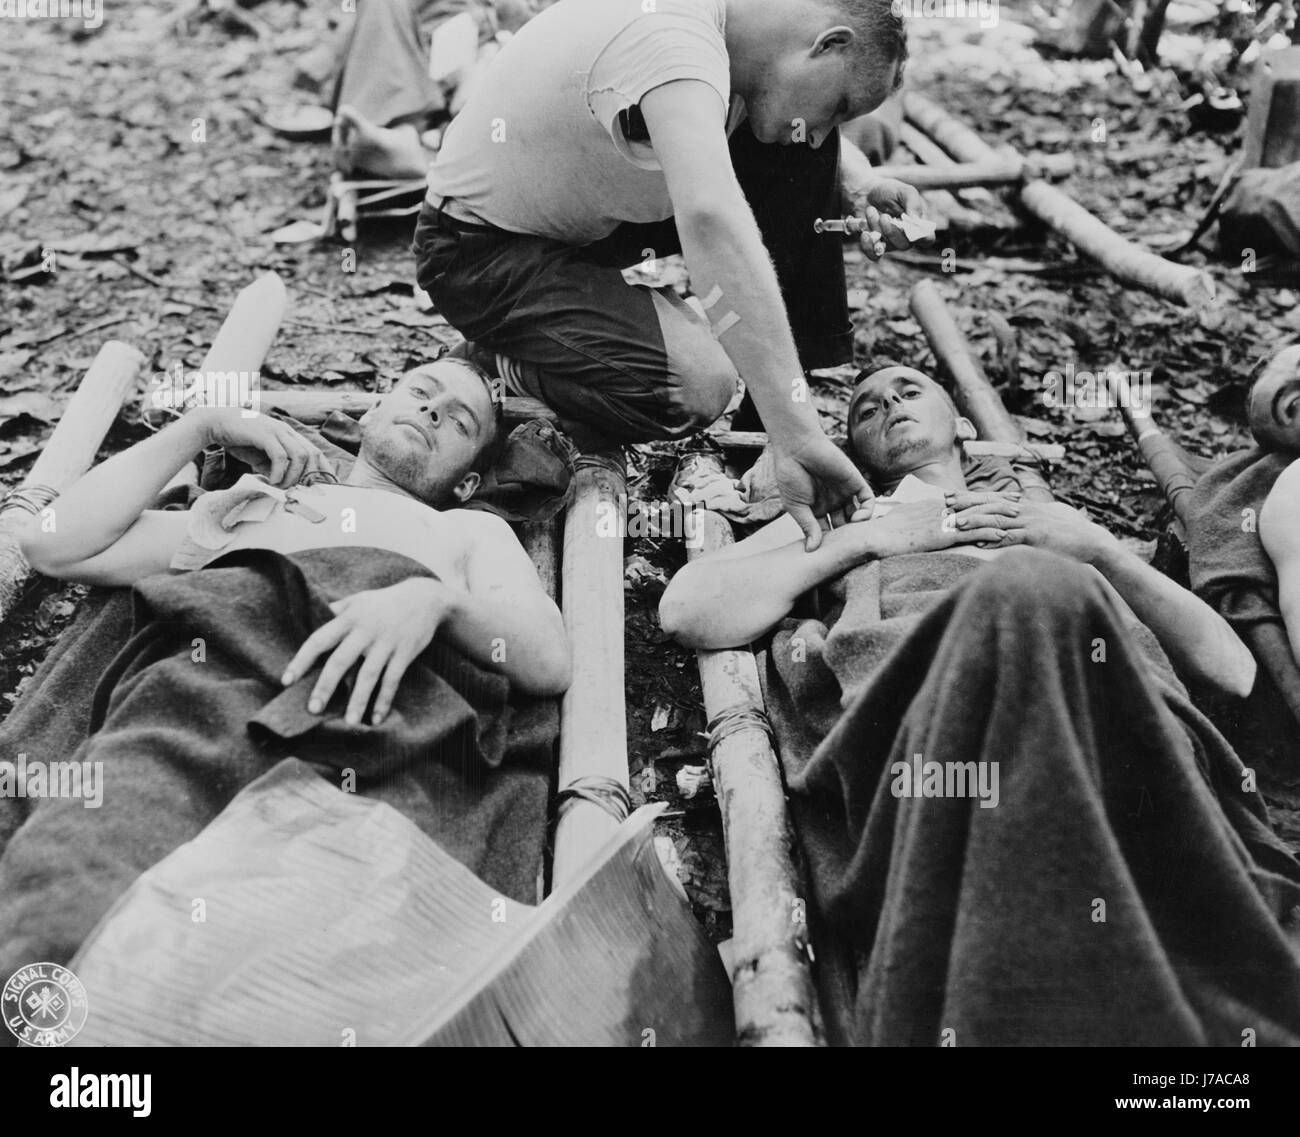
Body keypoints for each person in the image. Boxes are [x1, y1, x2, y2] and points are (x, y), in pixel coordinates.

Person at [660, 366, 1300, 1045]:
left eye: (908, 391)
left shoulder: (1055, 528)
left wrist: (1095, 551)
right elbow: (688, 608)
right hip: (946, 735)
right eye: (867, 410)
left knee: (1042, 590)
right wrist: (875, 538)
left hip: (1120, 737)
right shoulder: (847, 522)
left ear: (963, 424)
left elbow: (1230, 670)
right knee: (1027, 593)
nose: (890, 408)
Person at [0, 361, 569, 982]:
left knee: (312, 939)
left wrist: (438, 603)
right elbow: (52, 544)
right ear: (372, 413)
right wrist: (202, 427)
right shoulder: (257, 506)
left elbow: (545, 658)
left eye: (458, 421)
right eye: (421, 393)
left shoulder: (463, 529)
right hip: (201, 705)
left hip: (369, 724)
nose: (433, 412)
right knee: (74, 898)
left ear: (466, 484)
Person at [414, 0, 931, 551]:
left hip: (576, 222)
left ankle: (768, 412)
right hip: (478, 251)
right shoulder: (674, 40)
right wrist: (798, 432)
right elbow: (711, 218)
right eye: (840, 106)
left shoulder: (735, 33)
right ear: (827, 43)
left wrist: (858, 182)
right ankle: (498, 361)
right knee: (695, 386)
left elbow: (795, 152)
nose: (827, 128)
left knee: (798, 149)